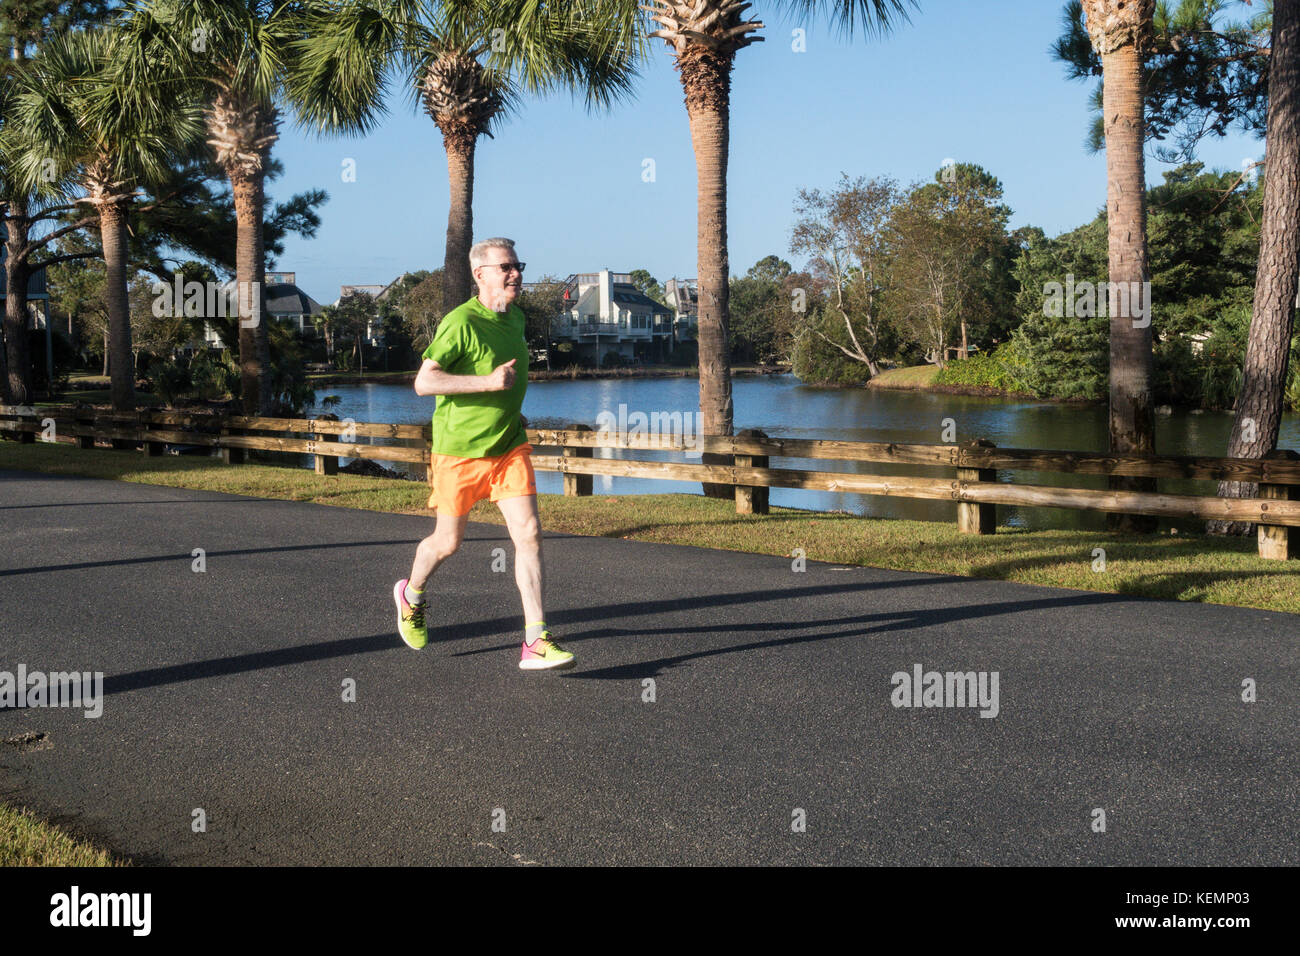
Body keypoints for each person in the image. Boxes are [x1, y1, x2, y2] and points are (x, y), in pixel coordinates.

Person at [393, 237, 574, 670]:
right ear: (481, 274)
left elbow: (506, 377)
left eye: (518, 265)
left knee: (529, 534)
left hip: (508, 445)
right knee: (448, 542)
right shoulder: (460, 323)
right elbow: (425, 383)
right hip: (459, 452)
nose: (516, 274)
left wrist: (513, 409)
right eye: (506, 267)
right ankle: (410, 593)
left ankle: (535, 640)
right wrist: (488, 385)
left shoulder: (517, 320)